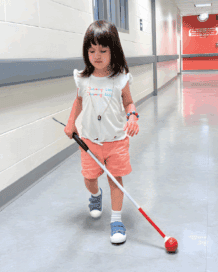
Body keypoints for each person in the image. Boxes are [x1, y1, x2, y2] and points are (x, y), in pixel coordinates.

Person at [64, 20, 139, 244]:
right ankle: (95, 196)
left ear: (113, 50)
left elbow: (129, 103)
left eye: (103, 50)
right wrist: (71, 124)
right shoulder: (84, 79)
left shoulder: (120, 78)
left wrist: (133, 116)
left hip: (116, 140)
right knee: (89, 178)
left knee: (115, 180)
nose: (96, 55)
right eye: (91, 50)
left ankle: (116, 220)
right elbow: (77, 102)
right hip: (89, 140)